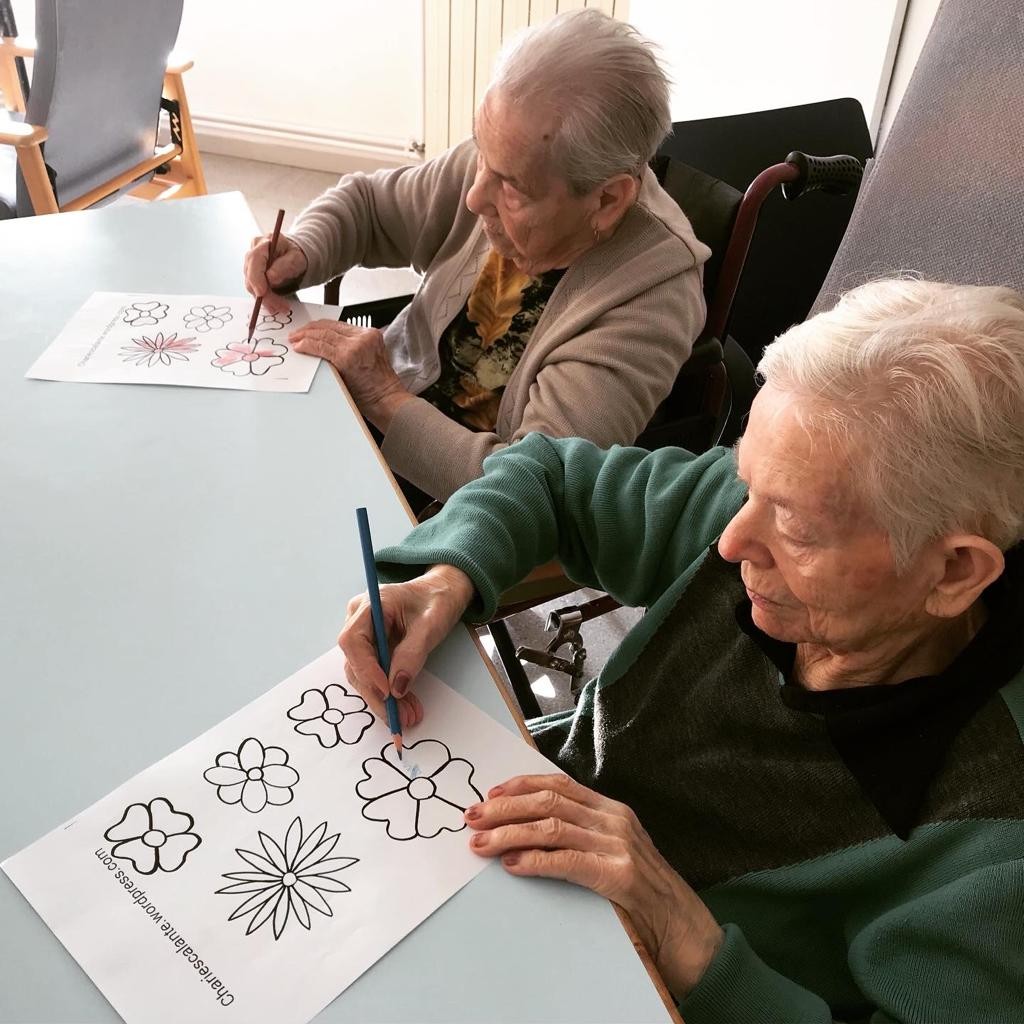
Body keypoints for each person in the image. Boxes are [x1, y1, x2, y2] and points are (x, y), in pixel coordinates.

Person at [337, 279, 1024, 1022]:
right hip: (527, 865)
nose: (730, 542)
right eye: (746, 481)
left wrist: (687, 940)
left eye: (794, 528)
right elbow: (551, 477)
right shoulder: (775, 502)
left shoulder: (997, 847)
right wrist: (450, 574)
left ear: (954, 572)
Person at [243, 9, 709, 504]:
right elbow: (369, 206)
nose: (474, 196)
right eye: (483, 153)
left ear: (607, 200)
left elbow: (531, 491)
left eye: (512, 188)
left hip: (456, 513)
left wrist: (382, 397)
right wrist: (304, 248)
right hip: (373, 418)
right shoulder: (514, 153)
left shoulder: (651, 302)